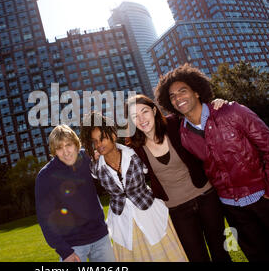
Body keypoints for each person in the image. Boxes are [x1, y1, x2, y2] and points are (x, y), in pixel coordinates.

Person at [155, 63, 269, 262]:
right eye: (172, 96)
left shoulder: (232, 111)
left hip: (264, 198)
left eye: (183, 91)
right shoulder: (182, 133)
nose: (178, 98)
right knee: (257, 256)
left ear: (197, 92)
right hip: (232, 208)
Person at [125, 94, 231, 262]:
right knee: (196, 258)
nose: (141, 119)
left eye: (144, 111)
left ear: (154, 110)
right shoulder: (134, 148)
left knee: (221, 253)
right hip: (176, 210)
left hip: (206, 197)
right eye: (134, 116)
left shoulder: (175, 124)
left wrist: (218, 105)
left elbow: (198, 114)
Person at [80, 112, 188, 262]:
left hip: (150, 214)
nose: (98, 145)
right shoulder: (95, 167)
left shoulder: (136, 154)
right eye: (94, 141)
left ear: (113, 134)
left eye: (102, 138)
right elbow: (71, 159)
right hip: (122, 222)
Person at [35, 124, 115, 262]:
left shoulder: (87, 158)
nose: (66, 152)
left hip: (100, 237)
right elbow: (45, 219)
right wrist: (65, 252)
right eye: (59, 148)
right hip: (72, 246)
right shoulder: (45, 176)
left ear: (76, 144)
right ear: (54, 151)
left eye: (69, 145)